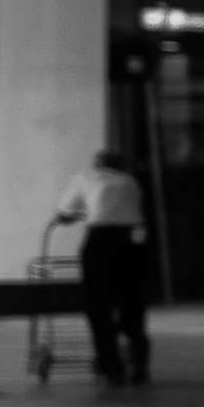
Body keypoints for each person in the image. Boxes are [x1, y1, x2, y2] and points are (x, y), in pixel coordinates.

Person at [53, 149, 150, 386]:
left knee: (98, 305)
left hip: (101, 242)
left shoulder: (86, 178)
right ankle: (139, 362)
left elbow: (65, 211)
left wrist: (69, 217)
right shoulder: (131, 182)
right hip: (132, 243)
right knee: (132, 301)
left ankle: (111, 366)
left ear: (98, 165)